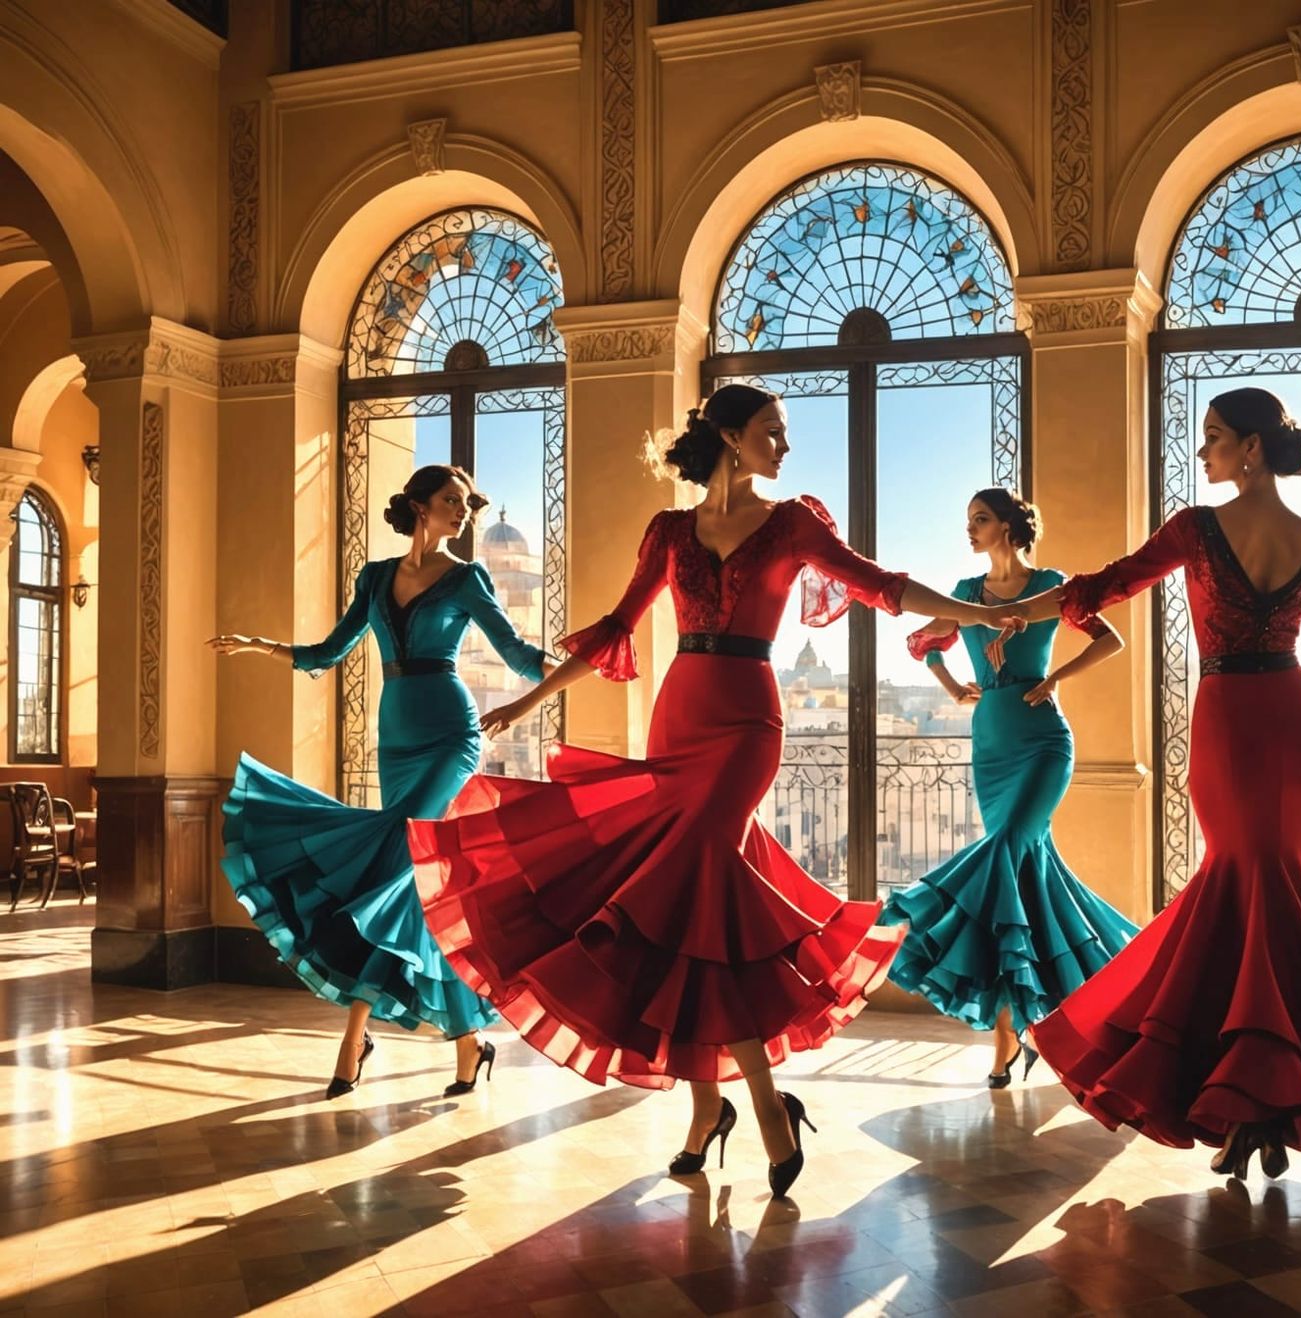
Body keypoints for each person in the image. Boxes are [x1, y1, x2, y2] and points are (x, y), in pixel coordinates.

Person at [407, 384, 1018, 1197]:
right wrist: (529, 700)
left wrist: (978, 617)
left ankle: (760, 1107)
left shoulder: (794, 522)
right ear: (731, 438)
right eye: (773, 431)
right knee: (689, 911)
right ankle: (711, 1110)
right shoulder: (669, 530)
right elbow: (618, 626)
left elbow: (880, 586)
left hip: (746, 724)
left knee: (697, 887)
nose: (785, 446)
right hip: (680, 715)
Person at [990, 387, 1301, 1175]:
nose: (1204, 450)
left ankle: (1256, 1108)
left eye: (1214, 436)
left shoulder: (1198, 529)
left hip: (1232, 714)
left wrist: (1014, 613)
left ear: (1251, 447)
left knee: (1262, 885)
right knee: (1264, 886)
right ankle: (1271, 1106)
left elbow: (1104, 586)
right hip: (1290, 717)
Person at [209, 465, 547, 1099]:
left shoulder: (467, 578)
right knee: (418, 888)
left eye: (467, 504)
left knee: (394, 867)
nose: (463, 512)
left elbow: (518, 655)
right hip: (396, 742)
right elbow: (328, 652)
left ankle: (354, 1036)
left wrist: (574, 666)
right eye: (451, 500)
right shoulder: (373, 577)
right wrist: (259, 644)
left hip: (450, 738)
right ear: (420, 506)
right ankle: (469, 1042)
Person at [884, 488, 1136, 1087]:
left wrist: (1055, 678)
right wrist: (951, 686)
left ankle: (938, 920)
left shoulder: (1049, 585)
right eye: (968, 519)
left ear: (1007, 526)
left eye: (980, 519)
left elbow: (1110, 639)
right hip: (991, 744)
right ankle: (1019, 1032)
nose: (970, 528)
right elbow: (920, 643)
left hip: (1043, 740)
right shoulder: (966, 594)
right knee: (1020, 886)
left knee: (1005, 853)